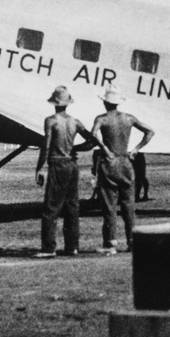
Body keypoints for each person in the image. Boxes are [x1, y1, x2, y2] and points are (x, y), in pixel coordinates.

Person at [35, 86, 108, 257]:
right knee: (72, 208)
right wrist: (76, 148)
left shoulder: (51, 121)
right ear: (67, 104)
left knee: (51, 208)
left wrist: (40, 167)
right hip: (72, 165)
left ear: (54, 103)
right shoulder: (75, 122)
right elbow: (92, 140)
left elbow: (46, 146)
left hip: (57, 164)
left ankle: (48, 248)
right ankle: (72, 247)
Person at [90, 85, 155, 254]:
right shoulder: (129, 118)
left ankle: (110, 243)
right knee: (129, 205)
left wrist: (104, 148)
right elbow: (150, 131)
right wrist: (136, 149)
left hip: (110, 162)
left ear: (105, 102)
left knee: (109, 205)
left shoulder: (101, 119)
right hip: (126, 162)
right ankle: (132, 241)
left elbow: (93, 134)